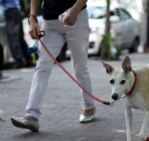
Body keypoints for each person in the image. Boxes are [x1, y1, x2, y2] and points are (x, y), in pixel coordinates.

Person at [11, 0, 96, 132]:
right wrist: (33, 18)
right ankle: (31, 116)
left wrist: (75, 10)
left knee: (80, 67)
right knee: (42, 66)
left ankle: (89, 107)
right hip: (50, 23)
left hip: (77, 17)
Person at [0, 0, 33, 68]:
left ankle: (19, 61)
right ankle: (28, 60)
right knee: (20, 39)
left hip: (10, 12)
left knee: (13, 38)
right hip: (16, 11)